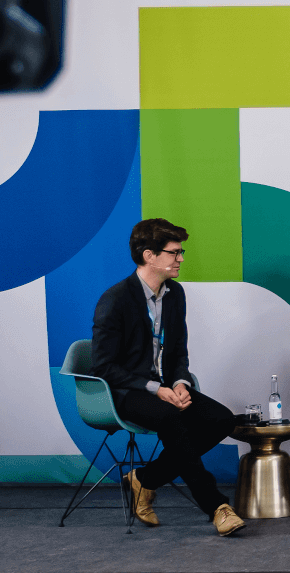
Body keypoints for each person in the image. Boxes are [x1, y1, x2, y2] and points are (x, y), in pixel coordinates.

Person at [91, 218, 246, 536]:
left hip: (161, 385)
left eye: (180, 252)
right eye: (174, 252)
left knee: (221, 420)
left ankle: (144, 480)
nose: (181, 259)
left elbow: (177, 352)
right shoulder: (115, 299)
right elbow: (103, 367)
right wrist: (155, 389)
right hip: (124, 391)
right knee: (171, 418)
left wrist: (179, 383)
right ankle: (217, 507)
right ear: (149, 255)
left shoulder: (174, 294)